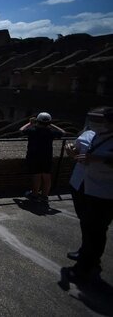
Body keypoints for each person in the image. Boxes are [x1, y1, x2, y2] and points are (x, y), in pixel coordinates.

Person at [66, 107, 113, 284]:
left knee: (97, 229)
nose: (103, 124)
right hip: (82, 185)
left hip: (104, 192)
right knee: (86, 223)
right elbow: (80, 155)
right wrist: (73, 153)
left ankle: (87, 265)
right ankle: (85, 253)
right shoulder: (93, 135)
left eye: (107, 121)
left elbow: (97, 158)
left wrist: (99, 159)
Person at [64, 116, 96, 261]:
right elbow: (76, 152)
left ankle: (90, 257)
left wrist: (96, 159)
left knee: (95, 224)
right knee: (85, 220)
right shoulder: (87, 134)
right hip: (79, 182)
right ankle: (86, 250)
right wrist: (71, 152)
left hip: (101, 188)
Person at [20, 112, 65, 203]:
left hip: (34, 157)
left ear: (38, 121)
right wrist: (51, 124)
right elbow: (63, 132)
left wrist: (30, 123)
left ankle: (35, 194)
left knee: (36, 176)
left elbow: (21, 130)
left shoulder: (33, 130)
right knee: (47, 176)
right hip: (47, 157)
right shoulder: (51, 132)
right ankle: (45, 196)